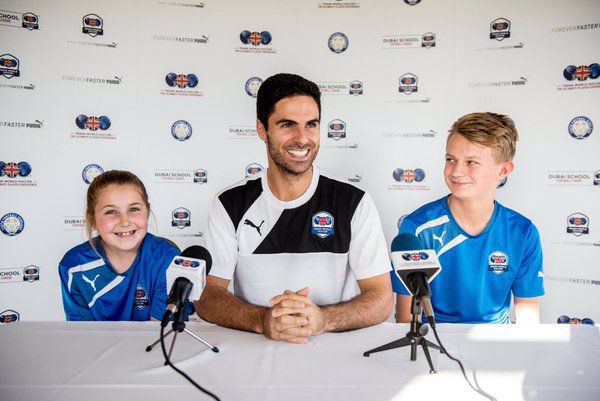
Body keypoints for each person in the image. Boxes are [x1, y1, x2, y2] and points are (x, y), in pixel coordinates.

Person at [195, 73, 393, 343]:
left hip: (335, 355)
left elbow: (381, 299)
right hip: (254, 355)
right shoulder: (230, 204)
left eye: (311, 125)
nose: (302, 138)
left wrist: (324, 319)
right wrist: (263, 320)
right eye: (287, 125)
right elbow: (208, 297)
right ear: (262, 130)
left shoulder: (353, 201)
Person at [392, 112, 545, 324]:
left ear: (503, 170)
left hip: (495, 345)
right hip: (433, 343)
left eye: (471, 162)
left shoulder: (523, 232)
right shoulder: (418, 227)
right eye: (450, 160)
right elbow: (407, 319)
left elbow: (528, 318)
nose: (456, 171)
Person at [59, 170, 179, 321]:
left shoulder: (166, 258)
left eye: (134, 209)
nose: (125, 221)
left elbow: (160, 335)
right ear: (93, 220)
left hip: (150, 344)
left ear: (147, 212)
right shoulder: (74, 266)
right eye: (111, 212)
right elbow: (83, 335)